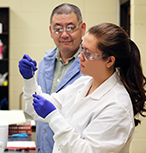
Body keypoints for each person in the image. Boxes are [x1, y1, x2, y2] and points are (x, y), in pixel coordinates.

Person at [18, 23, 146, 153]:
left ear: (109, 61)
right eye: (82, 49)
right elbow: (36, 109)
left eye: (88, 53)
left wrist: (53, 117)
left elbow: (86, 150)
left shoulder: (117, 105)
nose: (80, 56)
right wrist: (29, 80)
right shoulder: (83, 84)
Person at [19, 3, 86, 153]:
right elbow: (35, 106)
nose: (64, 34)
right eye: (58, 28)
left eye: (70, 27)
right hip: (44, 146)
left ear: (82, 28)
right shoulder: (45, 62)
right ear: (50, 31)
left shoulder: (90, 65)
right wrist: (28, 80)